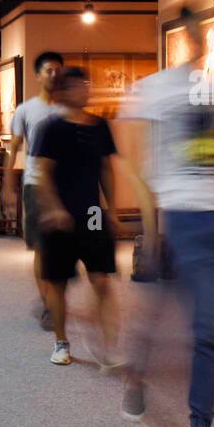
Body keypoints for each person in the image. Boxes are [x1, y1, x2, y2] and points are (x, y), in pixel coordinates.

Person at [119, 6, 214, 427]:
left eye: (201, 32)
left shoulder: (209, 91)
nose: (198, 39)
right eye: (191, 30)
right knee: (156, 316)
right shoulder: (151, 89)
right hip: (176, 218)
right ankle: (136, 372)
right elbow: (133, 160)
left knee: (210, 327)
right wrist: (152, 226)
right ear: (177, 36)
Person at [32, 66, 143, 369]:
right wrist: (54, 208)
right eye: (78, 86)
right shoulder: (50, 127)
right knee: (58, 284)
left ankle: (109, 346)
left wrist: (114, 210)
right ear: (65, 92)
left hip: (93, 214)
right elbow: (42, 173)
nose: (85, 90)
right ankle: (61, 342)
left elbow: (106, 169)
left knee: (102, 280)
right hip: (59, 219)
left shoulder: (99, 126)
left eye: (86, 84)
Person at [5, 51, 62, 330]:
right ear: (37, 75)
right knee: (41, 248)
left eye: (57, 71)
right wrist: (8, 185)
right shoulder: (26, 110)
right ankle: (49, 304)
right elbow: (14, 149)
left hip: (66, 186)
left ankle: (56, 297)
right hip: (36, 185)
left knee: (63, 248)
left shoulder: (68, 111)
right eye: (48, 70)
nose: (54, 75)